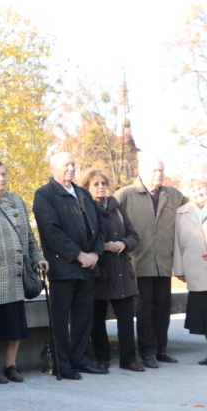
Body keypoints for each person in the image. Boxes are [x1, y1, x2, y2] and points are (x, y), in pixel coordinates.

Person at [0, 161, 48, 384]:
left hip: (17, 274)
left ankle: (11, 364)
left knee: (15, 323)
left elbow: (30, 237)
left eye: (4, 174)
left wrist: (39, 257)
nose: (1, 179)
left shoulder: (18, 201)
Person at [33, 152, 106, 380]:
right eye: (66, 164)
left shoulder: (83, 193)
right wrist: (78, 254)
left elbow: (100, 225)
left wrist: (95, 252)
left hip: (88, 266)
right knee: (60, 319)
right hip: (63, 267)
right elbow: (50, 230)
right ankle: (61, 364)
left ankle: (81, 359)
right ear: (53, 168)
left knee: (84, 317)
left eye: (73, 164)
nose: (71, 168)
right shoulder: (44, 194)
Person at [115, 157, 187, 368]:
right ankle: (147, 352)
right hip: (138, 262)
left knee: (162, 308)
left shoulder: (172, 195)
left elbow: (194, 213)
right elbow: (106, 217)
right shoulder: (126, 194)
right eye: (155, 170)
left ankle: (161, 349)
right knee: (144, 309)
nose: (159, 174)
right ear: (143, 171)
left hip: (164, 263)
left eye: (161, 170)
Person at [79, 168, 145, 372]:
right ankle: (102, 358)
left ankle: (128, 359)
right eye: (96, 184)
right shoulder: (84, 209)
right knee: (97, 320)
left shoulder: (117, 208)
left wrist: (123, 243)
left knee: (126, 319)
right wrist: (103, 246)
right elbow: (81, 240)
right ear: (87, 188)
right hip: (98, 270)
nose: (101, 187)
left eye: (103, 183)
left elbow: (134, 236)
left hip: (121, 271)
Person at [173, 180, 207, 365]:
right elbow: (177, 243)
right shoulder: (182, 212)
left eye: (200, 187)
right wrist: (179, 269)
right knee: (203, 315)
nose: (197, 192)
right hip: (195, 270)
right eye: (192, 189)